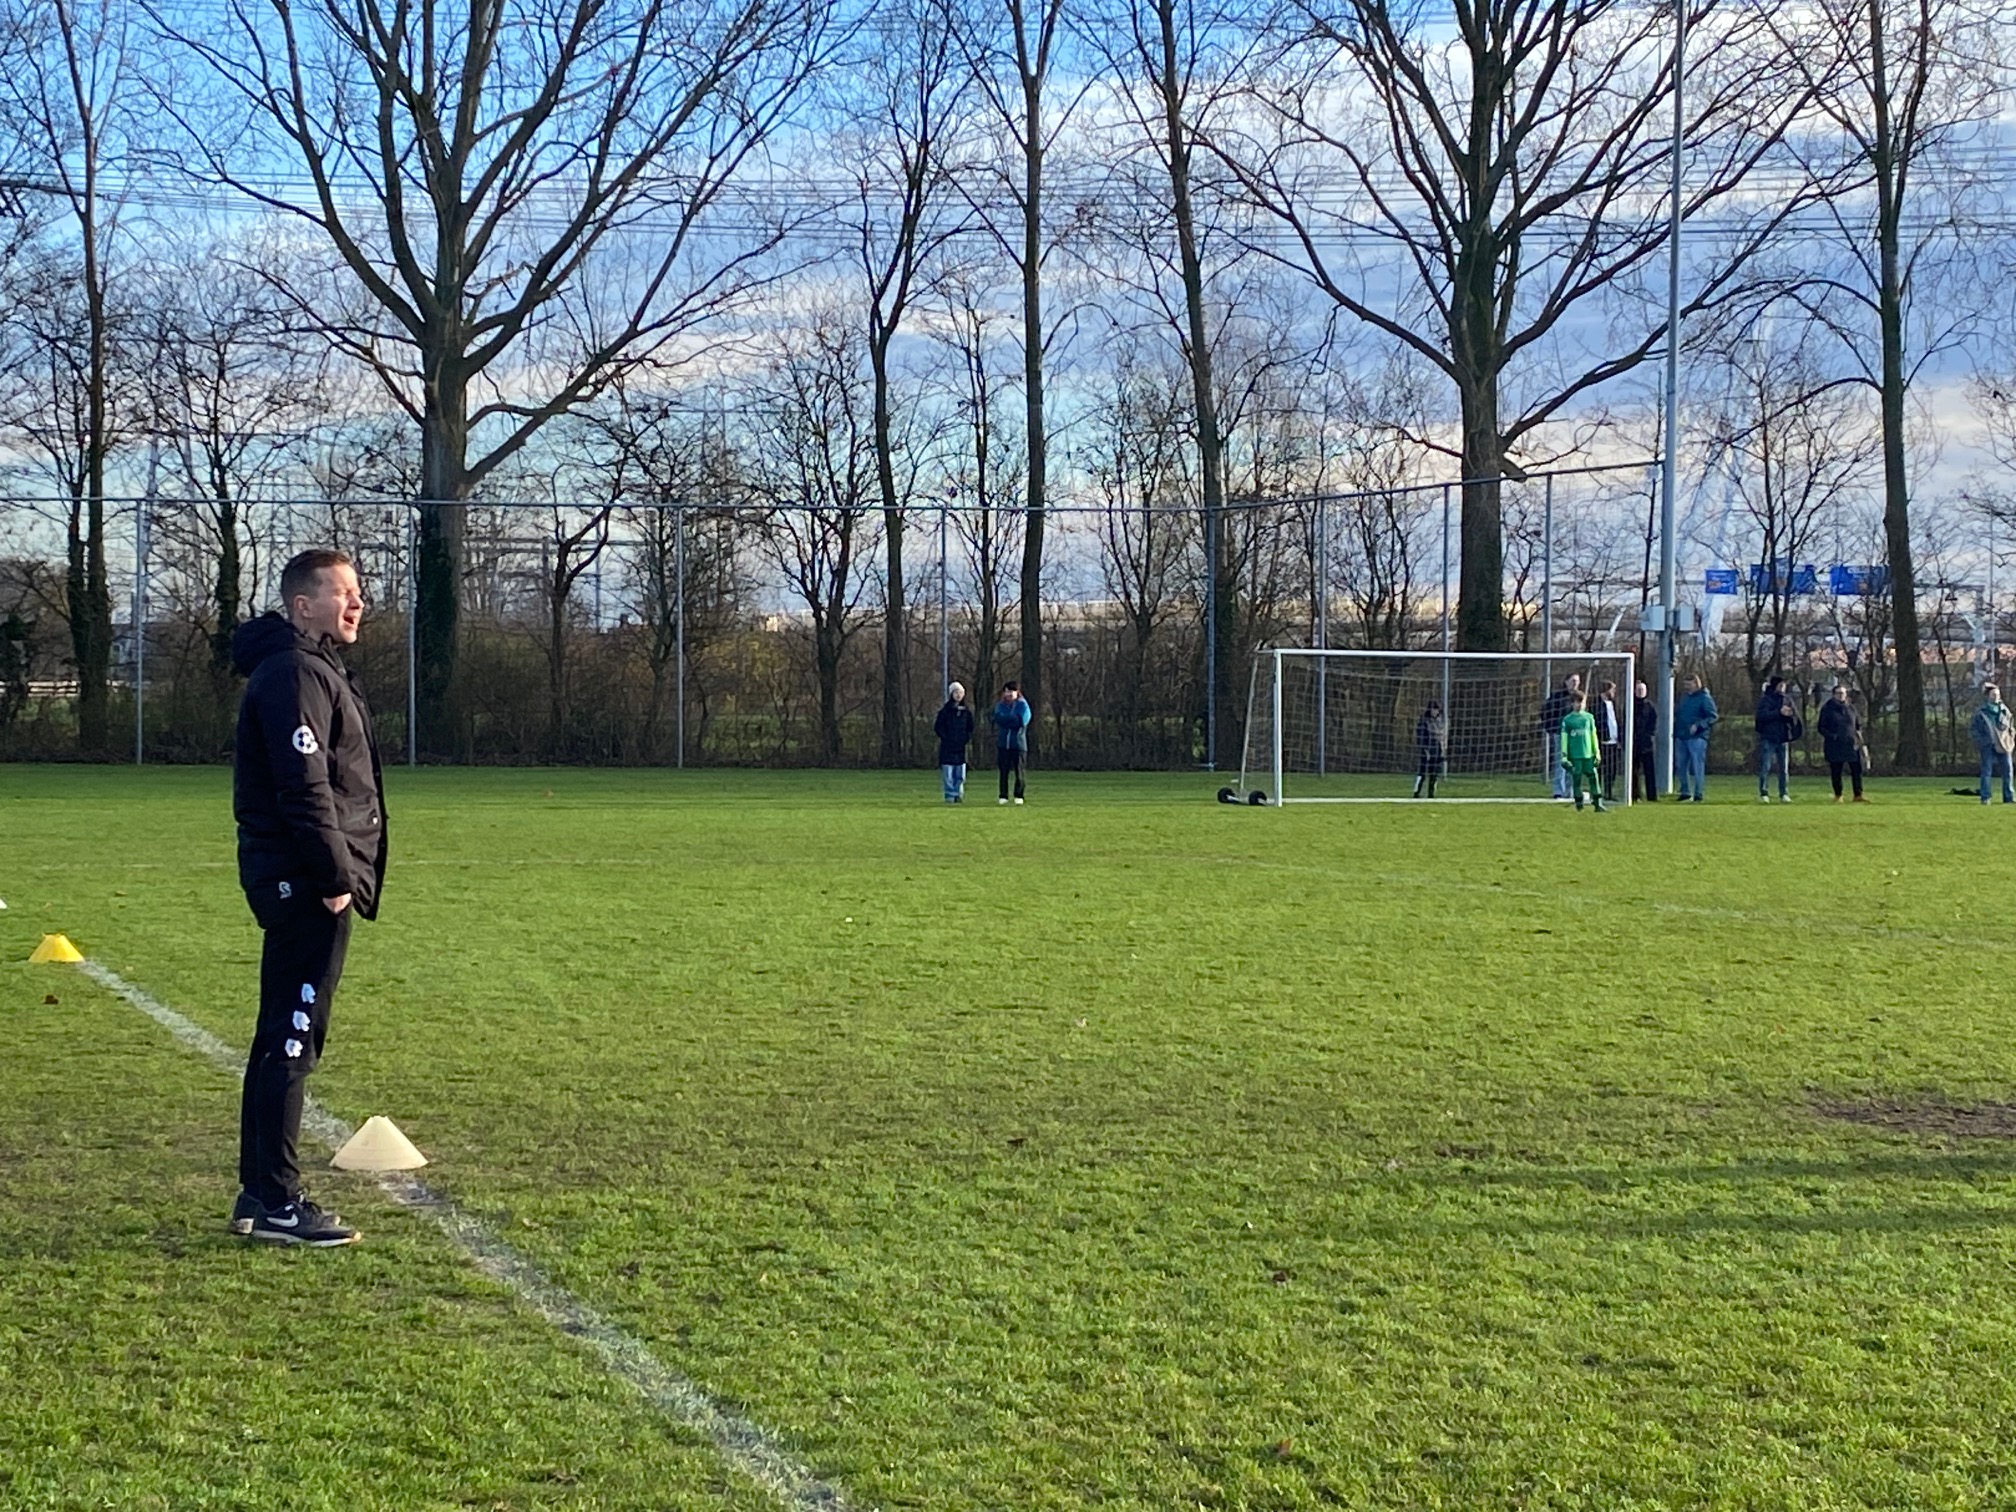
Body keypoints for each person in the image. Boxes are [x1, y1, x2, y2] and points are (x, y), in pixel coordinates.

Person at [229, 549, 386, 1248]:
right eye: (344, 593)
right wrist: (332, 879)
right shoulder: (294, 673)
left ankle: (257, 1190)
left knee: (279, 1039)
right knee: (293, 1040)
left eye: (357, 593)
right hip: (306, 886)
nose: (357, 604)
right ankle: (279, 1203)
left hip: (299, 880)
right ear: (302, 604)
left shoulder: (308, 667)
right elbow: (305, 786)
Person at [1817, 683, 1867, 803]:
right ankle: (1838, 795)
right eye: (1839, 693)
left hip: (1852, 745)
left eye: (1843, 693)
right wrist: (1833, 736)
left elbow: (1858, 725)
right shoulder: (1827, 709)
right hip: (1835, 745)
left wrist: (1858, 739)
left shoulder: (1851, 708)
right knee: (1836, 771)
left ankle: (1858, 795)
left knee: (1856, 770)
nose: (1841, 696)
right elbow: (1821, 727)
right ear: (1833, 695)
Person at [1753, 675, 1801, 803]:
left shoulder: (1788, 700)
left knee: (1784, 768)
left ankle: (1783, 793)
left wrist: (1790, 715)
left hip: (1783, 737)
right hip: (1768, 737)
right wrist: (1779, 713)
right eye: (1780, 685)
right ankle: (1763, 793)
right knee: (1765, 766)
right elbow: (1761, 716)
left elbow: (1795, 717)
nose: (1783, 687)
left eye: (1784, 685)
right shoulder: (1766, 700)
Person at [1674, 674, 1717, 802]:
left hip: (1697, 737)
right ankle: (1685, 791)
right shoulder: (1684, 698)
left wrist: (1699, 725)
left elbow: (1713, 716)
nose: (1686, 687)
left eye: (1689, 684)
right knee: (1681, 765)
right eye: (1685, 684)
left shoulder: (1705, 698)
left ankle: (1698, 793)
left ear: (1696, 684)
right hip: (1681, 735)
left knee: (1697, 765)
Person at [1539, 672, 1582, 799]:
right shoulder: (1557, 697)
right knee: (1561, 763)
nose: (1575, 683)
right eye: (1572, 680)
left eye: (1577, 681)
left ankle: (1571, 791)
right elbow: (1545, 713)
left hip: (1576, 735)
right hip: (1561, 734)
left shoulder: (1580, 697)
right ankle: (1558, 791)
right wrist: (1552, 729)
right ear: (1566, 682)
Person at [1971, 684, 2016, 804]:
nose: (1996, 697)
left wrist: (2011, 739)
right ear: (1988, 696)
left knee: (2008, 772)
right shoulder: (1981, 712)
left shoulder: (2005, 711)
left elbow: (2011, 727)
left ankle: (2009, 797)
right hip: (1988, 746)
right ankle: (1985, 797)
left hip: (2005, 745)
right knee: (1987, 772)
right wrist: (1982, 742)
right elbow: (1974, 729)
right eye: (1993, 695)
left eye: (1997, 694)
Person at [1560, 691, 1604, 812]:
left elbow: (1593, 735)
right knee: (1577, 779)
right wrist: (1564, 755)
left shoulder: (1589, 718)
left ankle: (1597, 803)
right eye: (1577, 702)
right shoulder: (1568, 720)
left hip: (1588, 755)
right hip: (1575, 756)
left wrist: (1597, 752)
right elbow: (1564, 738)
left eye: (1582, 702)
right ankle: (1579, 805)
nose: (1579, 705)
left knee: (1593, 777)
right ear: (1572, 703)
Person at [933, 681, 974, 803]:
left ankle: (959, 793)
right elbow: (938, 727)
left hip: (961, 746)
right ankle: (950, 795)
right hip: (947, 746)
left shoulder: (966, 712)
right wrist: (946, 738)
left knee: (960, 773)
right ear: (951, 694)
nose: (958, 695)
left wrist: (965, 738)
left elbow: (970, 728)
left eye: (960, 692)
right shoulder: (945, 711)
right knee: (948, 773)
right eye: (956, 692)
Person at [992, 681, 1031, 804]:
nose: (1008, 694)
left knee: (1019, 771)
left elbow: (1021, 721)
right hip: (1003, 744)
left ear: (1017, 692)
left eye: (1011, 691)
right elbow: (998, 719)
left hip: (1018, 744)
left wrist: (1007, 720)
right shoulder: (1001, 705)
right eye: (1006, 691)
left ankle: (1019, 795)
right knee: (1003, 771)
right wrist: (1010, 719)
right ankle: (1003, 795)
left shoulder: (1023, 706)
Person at [1591, 679, 1624, 801]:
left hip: (1614, 743)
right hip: (1601, 743)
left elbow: (1617, 721)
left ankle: (1609, 793)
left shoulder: (1614, 704)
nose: (1614, 692)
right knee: (1599, 769)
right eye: (1612, 689)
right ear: (1606, 690)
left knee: (1612, 770)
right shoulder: (1595, 704)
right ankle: (1597, 793)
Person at [1631, 679, 1659, 802]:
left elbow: (1653, 724)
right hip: (1634, 742)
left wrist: (1650, 735)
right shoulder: (1631, 705)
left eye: (1643, 690)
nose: (1641, 692)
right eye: (1639, 690)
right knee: (1634, 771)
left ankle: (1652, 795)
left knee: (1649, 771)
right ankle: (1635, 794)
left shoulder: (1650, 706)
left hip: (1647, 743)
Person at [1413, 700, 1447, 798]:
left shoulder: (1440, 721)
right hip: (1426, 749)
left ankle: (1431, 793)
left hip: (1437, 748)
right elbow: (1420, 737)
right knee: (1422, 773)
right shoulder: (1424, 721)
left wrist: (1442, 750)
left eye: (1436, 709)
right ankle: (1416, 792)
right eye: (1433, 709)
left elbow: (1442, 736)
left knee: (1434, 773)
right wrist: (1424, 749)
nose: (1435, 711)